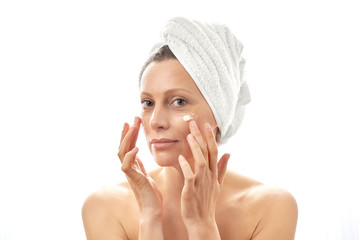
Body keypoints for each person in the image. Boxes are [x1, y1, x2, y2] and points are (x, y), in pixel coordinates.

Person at [82, 17, 298, 240]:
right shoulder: (105, 207)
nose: (156, 121)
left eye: (178, 102)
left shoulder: (270, 208)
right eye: (148, 103)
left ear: (218, 112)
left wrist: (201, 225)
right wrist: (149, 217)